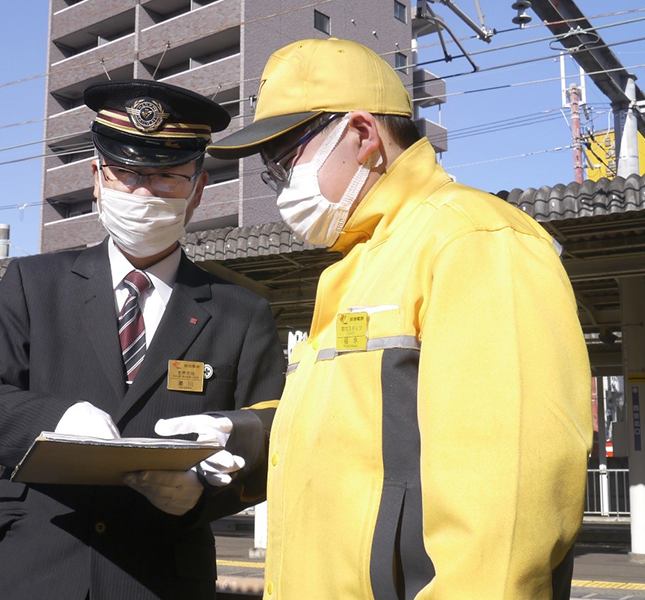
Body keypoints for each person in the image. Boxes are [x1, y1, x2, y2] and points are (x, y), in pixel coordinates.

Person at [207, 38, 592, 600]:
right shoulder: (361, 263)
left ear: (362, 135)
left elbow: (506, 508)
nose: (282, 184)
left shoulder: (473, 239)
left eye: (286, 159)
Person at [0, 79, 285, 600]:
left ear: (198, 189)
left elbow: (274, 430)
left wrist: (199, 493)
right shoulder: (34, 284)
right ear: (96, 179)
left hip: (160, 576)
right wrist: (56, 420)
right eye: (126, 174)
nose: (144, 192)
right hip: (30, 572)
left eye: (168, 176)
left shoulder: (241, 310)